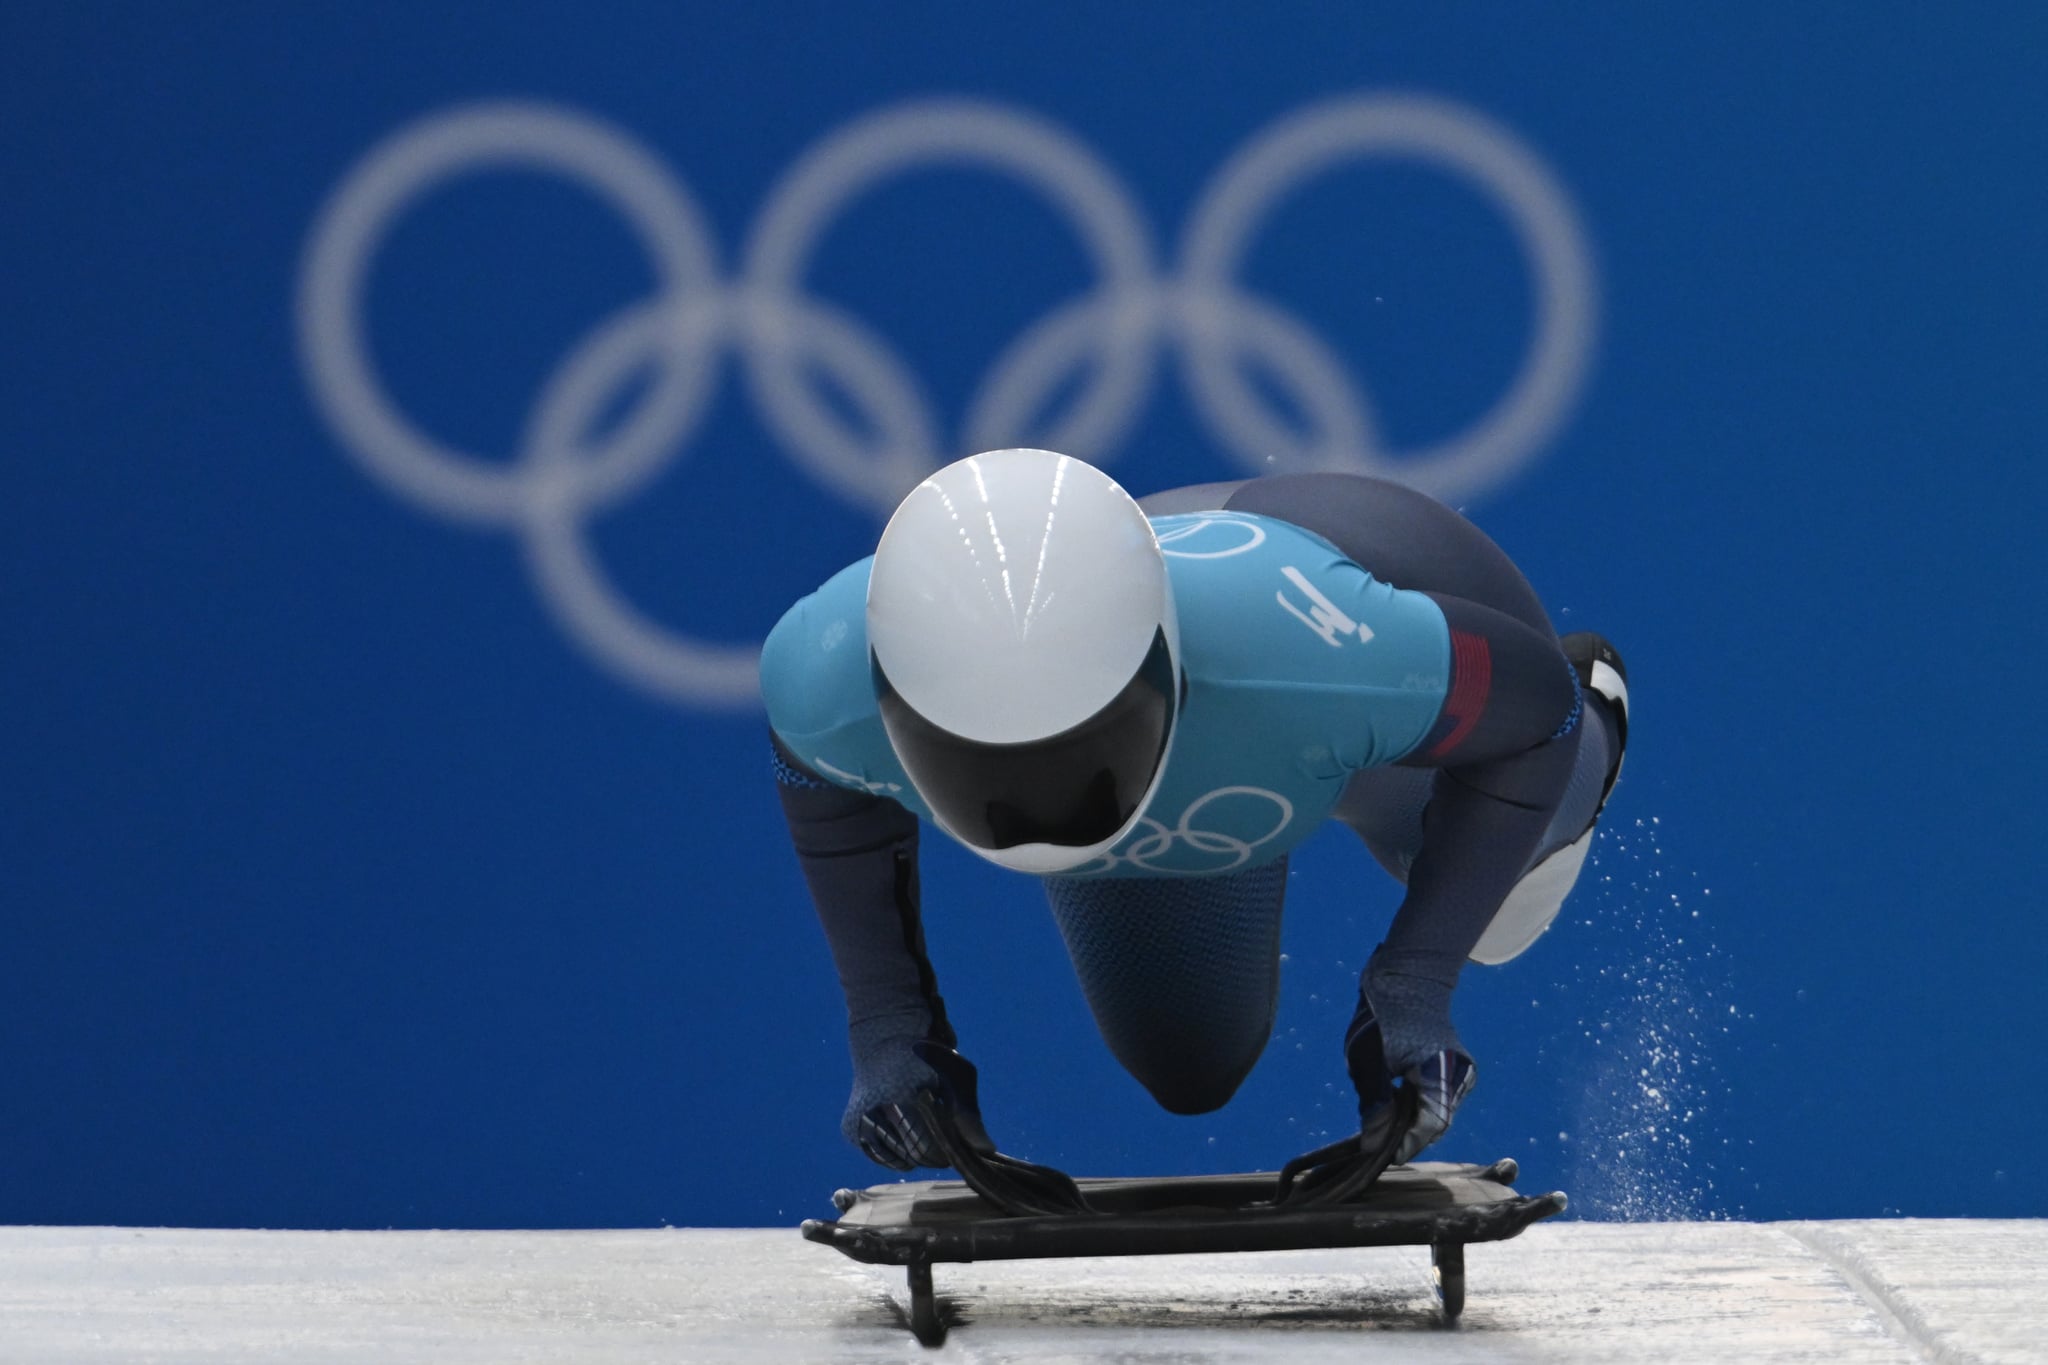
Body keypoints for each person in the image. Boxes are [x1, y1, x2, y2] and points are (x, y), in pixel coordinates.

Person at [762, 447, 1628, 1177]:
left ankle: (1609, 715)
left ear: (1165, 670)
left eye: (1078, 755)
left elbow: (1535, 715)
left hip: (1342, 643)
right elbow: (822, 779)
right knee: (1188, 1063)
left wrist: (1417, 982)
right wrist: (889, 1029)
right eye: (987, 767)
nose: (1040, 803)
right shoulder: (819, 679)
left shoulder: (1332, 654)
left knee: (1507, 909)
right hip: (1252, 716)